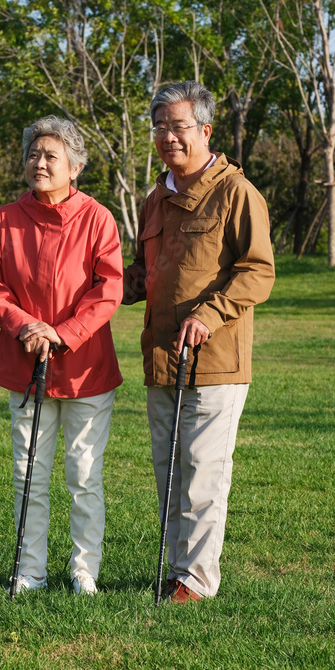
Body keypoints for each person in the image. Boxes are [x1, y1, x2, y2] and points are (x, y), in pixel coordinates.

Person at [123, 81, 275, 603]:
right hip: (161, 357)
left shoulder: (237, 193)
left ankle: (196, 581)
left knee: (203, 473)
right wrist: (95, 289)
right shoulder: (154, 199)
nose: (168, 137)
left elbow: (258, 272)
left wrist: (209, 314)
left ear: (205, 131)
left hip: (215, 360)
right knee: (169, 472)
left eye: (179, 127)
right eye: (160, 127)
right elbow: (144, 274)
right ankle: (178, 570)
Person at [0, 116, 123, 596]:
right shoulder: (6, 219)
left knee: (83, 476)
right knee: (29, 474)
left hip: (85, 369)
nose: (39, 163)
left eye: (50, 156)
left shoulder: (98, 217)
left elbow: (109, 288)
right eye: (33, 155)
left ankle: (85, 572)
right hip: (26, 367)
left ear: (75, 166)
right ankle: (30, 571)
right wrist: (26, 327)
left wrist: (62, 334)